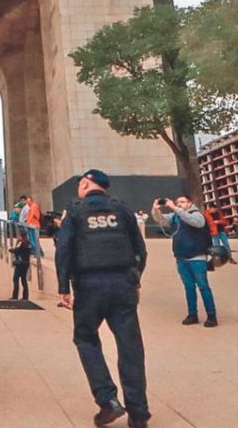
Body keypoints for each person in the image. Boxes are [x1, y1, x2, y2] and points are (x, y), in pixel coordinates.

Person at [56, 169, 150, 428]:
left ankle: (107, 400)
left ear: (86, 184)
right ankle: (139, 415)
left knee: (85, 338)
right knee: (131, 348)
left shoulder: (74, 211)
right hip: (123, 285)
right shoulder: (122, 209)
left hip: (88, 287)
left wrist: (63, 287)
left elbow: (63, 250)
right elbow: (140, 249)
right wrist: (135, 280)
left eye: (80, 185)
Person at [151, 196, 218, 327]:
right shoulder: (175, 216)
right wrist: (156, 210)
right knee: (189, 287)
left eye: (182, 202)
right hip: (181, 257)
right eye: (177, 202)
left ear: (190, 203)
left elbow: (196, 222)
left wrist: (175, 208)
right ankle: (192, 314)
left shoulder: (197, 215)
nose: (179, 204)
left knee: (203, 286)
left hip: (197, 257)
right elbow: (162, 221)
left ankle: (211, 315)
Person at [10, 235, 33, 300]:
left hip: (19, 265)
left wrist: (15, 245)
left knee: (15, 279)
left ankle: (15, 296)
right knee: (24, 280)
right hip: (26, 264)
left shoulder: (21, 244)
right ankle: (25, 296)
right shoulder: (28, 245)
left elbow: (16, 251)